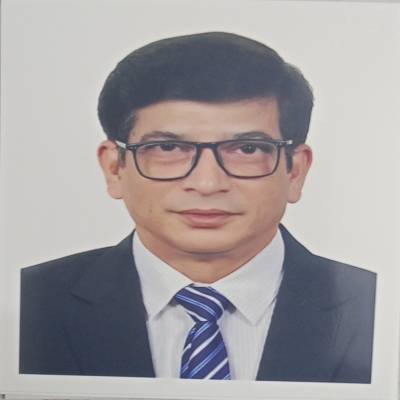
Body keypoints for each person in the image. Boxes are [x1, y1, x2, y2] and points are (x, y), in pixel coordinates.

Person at [19, 32, 376, 383]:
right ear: (115, 168)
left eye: (247, 149)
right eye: (168, 149)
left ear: (295, 171)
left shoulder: (380, 308)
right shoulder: (28, 302)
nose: (207, 184)